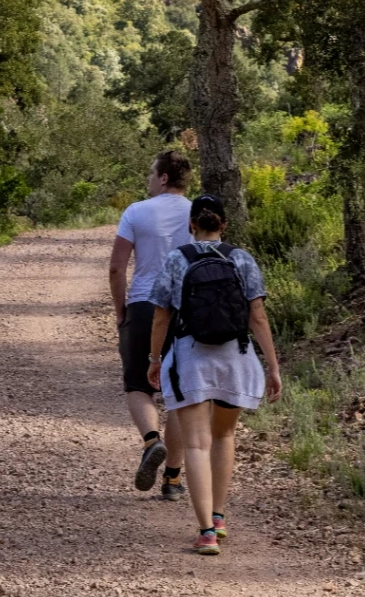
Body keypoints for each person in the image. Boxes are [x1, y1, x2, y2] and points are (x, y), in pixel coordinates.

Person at [146, 193, 282, 556]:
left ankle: (205, 532)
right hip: (235, 358)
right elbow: (258, 316)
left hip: (191, 358)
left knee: (195, 444)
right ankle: (219, 518)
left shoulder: (178, 258)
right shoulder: (242, 259)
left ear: (192, 224)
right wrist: (272, 365)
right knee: (224, 435)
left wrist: (154, 358)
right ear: (224, 224)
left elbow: (161, 316)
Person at [109, 150, 192, 498]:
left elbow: (116, 268)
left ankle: (150, 441)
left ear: (162, 178)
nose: (147, 179)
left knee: (138, 385)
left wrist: (121, 311)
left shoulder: (137, 212)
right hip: (188, 310)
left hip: (144, 305)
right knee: (180, 396)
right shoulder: (197, 211)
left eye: (150, 174)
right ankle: (173, 479)